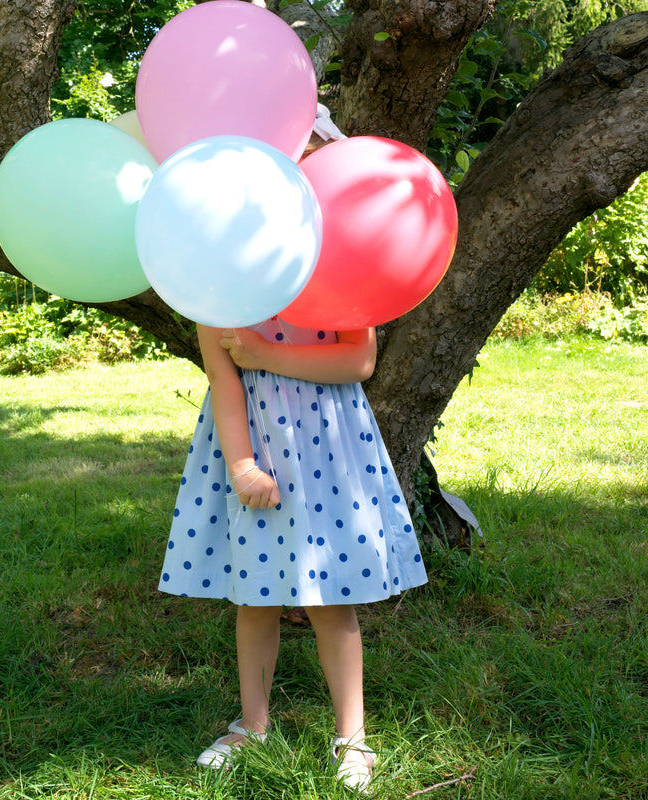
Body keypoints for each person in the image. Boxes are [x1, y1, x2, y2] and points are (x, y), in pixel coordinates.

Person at [158, 108, 428, 793]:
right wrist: (242, 464)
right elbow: (224, 381)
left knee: (331, 598)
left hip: (329, 450)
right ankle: (252, 723)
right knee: (256, 597)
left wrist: (262, 354)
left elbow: (358, 361)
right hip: (258, 452)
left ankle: (352, 738)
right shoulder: (215, 277)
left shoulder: (338, 264)